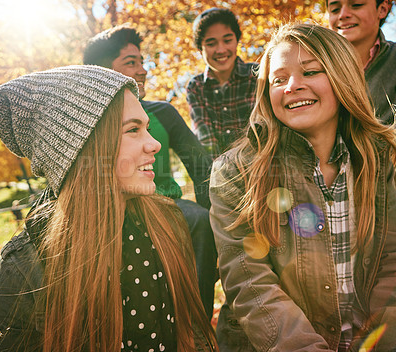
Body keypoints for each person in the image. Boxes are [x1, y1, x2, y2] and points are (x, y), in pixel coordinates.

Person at [0, 65, 217, 351]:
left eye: (147, 128)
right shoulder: (24, 270)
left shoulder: (168, 222)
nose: (154, 144)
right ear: (85, 147)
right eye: (133, 130)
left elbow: (191, 335)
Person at [209, 23, 396, 351]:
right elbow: (250, 282)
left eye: (310, 72)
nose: (292, 86)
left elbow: (392, 261)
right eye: (278, 80)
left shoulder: (383, 160)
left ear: (343, 78)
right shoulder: (236, 171)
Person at [83, 25, 217, 320]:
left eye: (142, 62)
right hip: (108, 211)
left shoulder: (163, 112)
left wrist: (216, 219)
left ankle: (198, 324)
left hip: (167, 205)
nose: (142, 71)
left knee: (200, 221)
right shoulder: (82, 124)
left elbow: (200, 166)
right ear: (102, 71)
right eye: (131, 63)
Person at [186, 8, 258, 159]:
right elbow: (206, 140)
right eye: (211, 43)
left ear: (237, 41)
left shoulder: (257, 75)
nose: (221, 50)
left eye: (227, 40)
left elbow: (266, 129)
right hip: (221, 171)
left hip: (262, 165)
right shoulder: (196, 87)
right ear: (200, 49)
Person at [327, 0, 396, 125]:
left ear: (382, 10)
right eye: (335, 9)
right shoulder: (316, 65)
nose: (343, 15)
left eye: (356, 5)